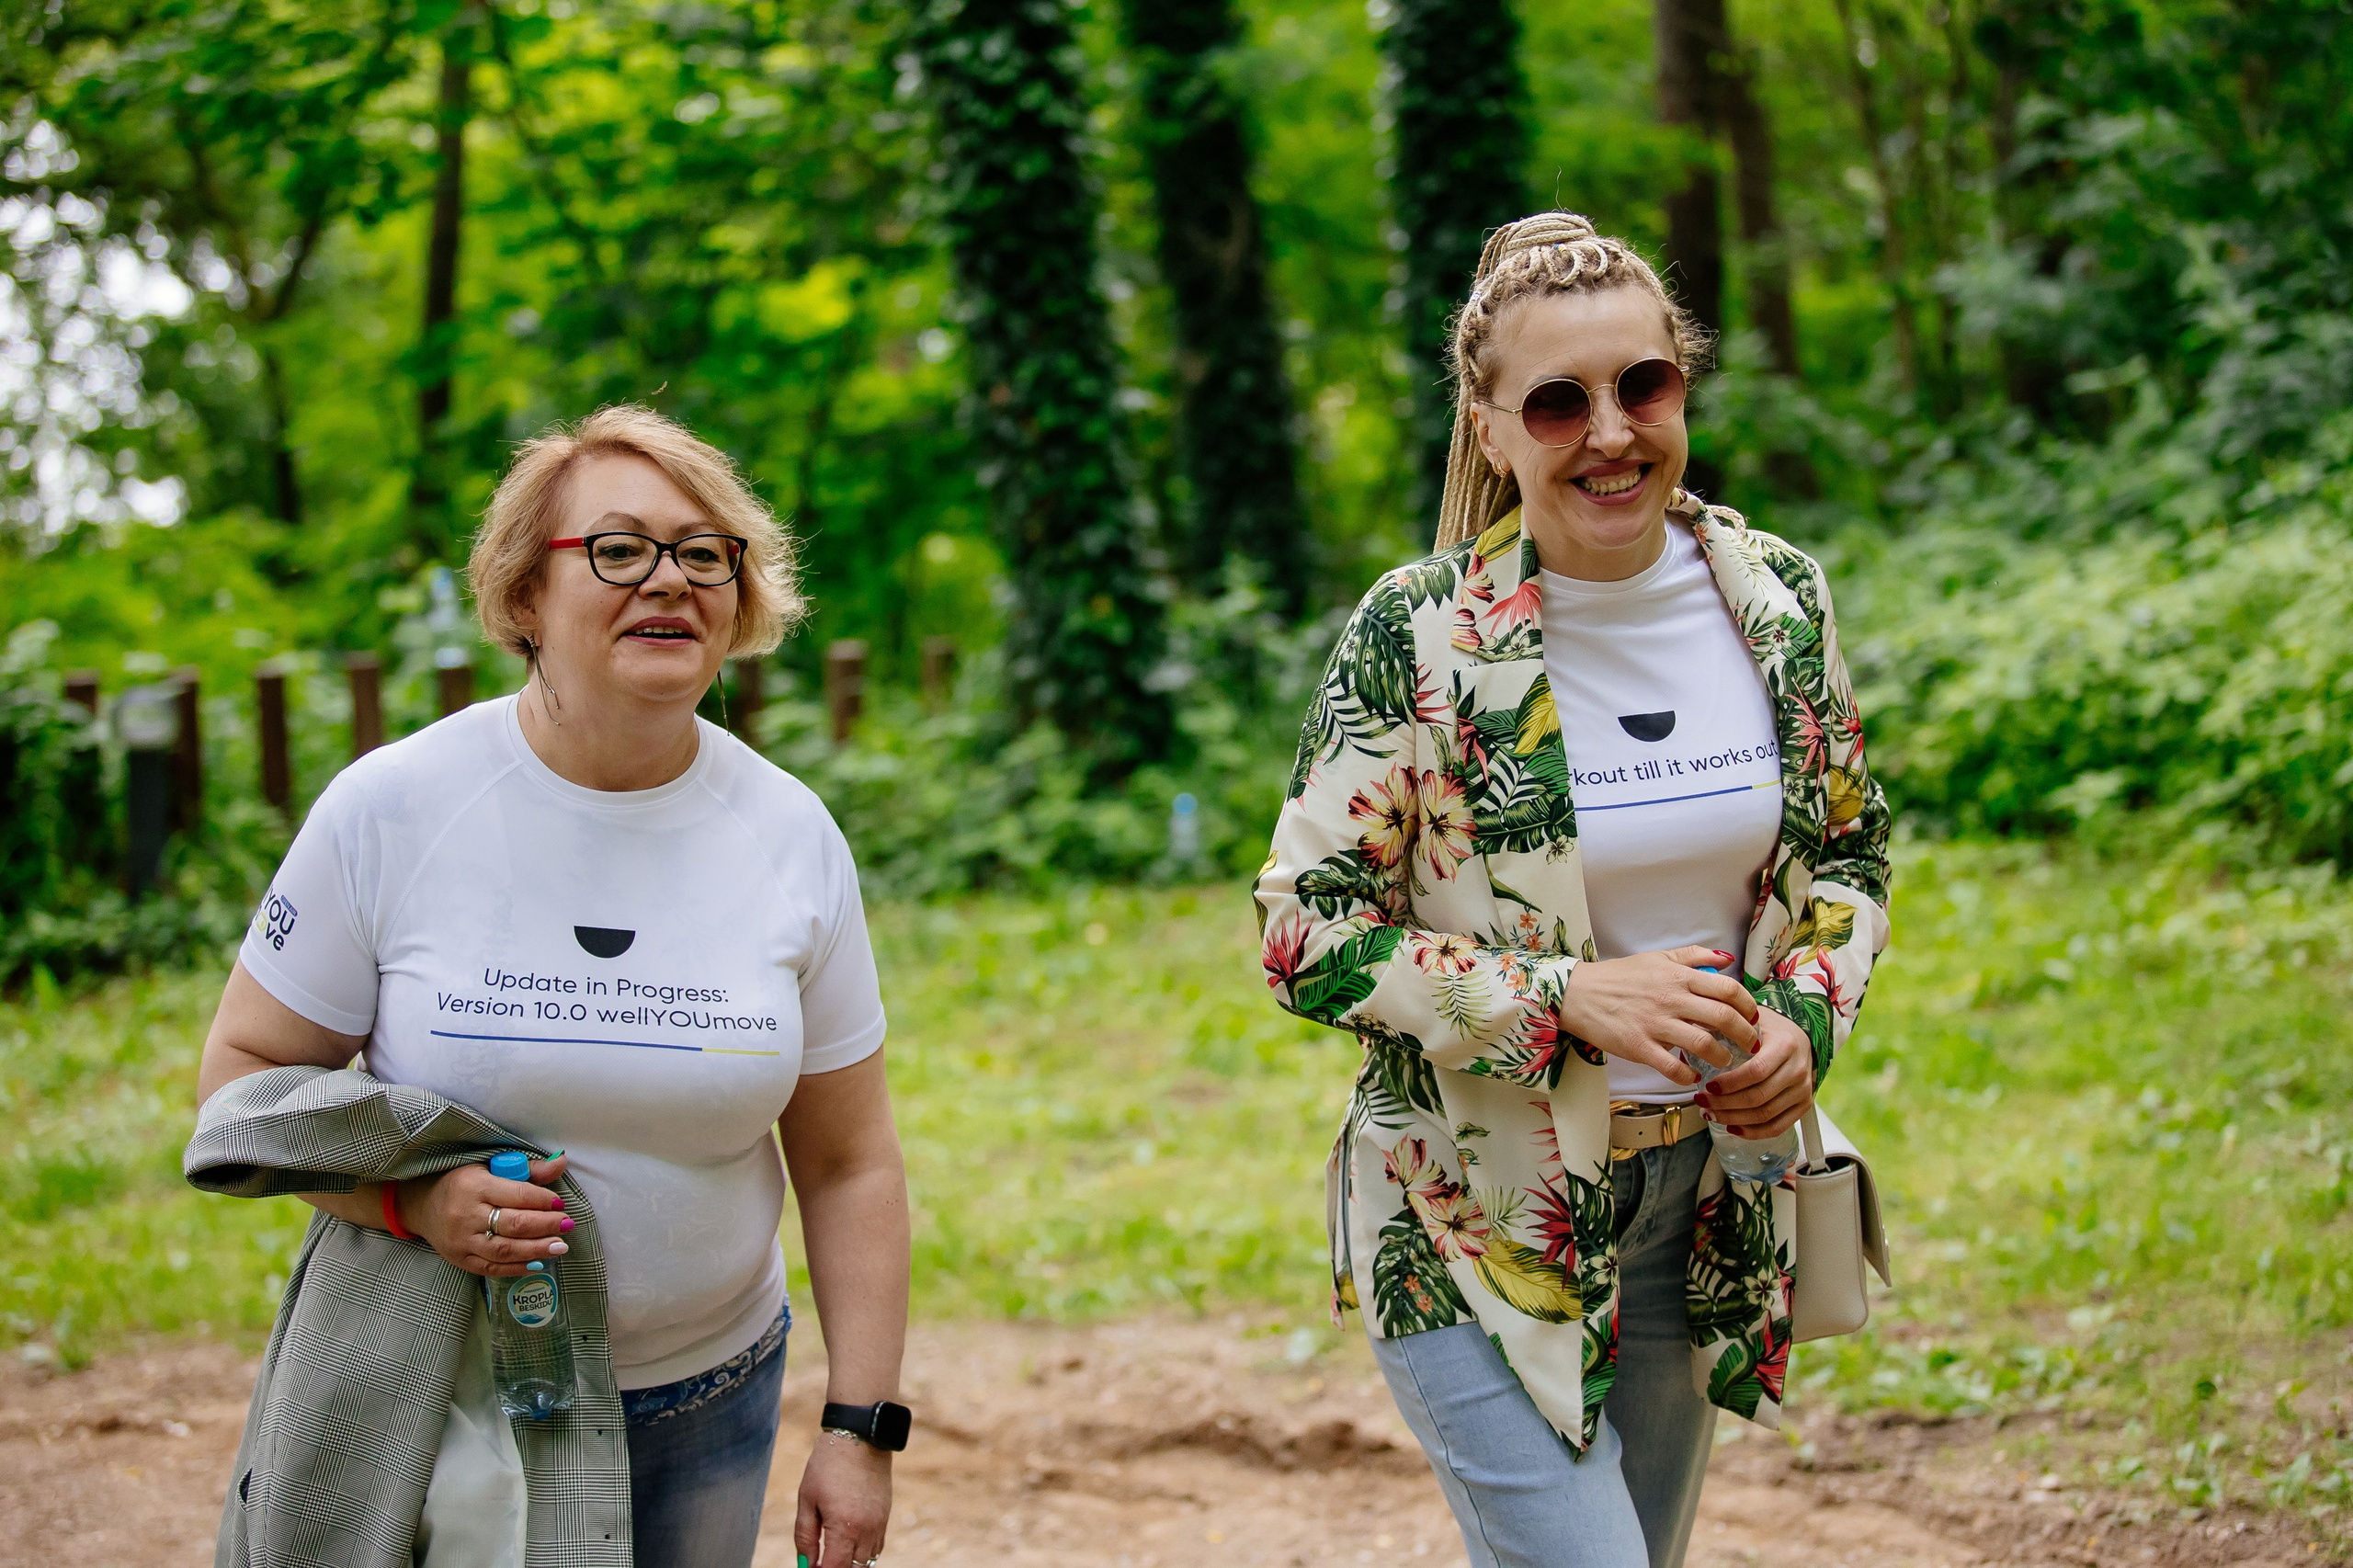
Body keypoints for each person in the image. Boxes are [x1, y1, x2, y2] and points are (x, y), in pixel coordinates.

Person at [1253, 211, 1892, 1568]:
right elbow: (1305, 930)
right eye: (1558, 400)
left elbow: (1847, 856)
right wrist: (1565, 1000)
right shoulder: (1419, 633)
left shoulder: (1773, 596)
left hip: (1707, 1201)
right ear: (1491, 430)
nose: (1610, 431)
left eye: (1642, 385)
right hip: (1474, 1219)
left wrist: (1800, 1021)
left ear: (1681, 385)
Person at [194, 405, 910, 1568]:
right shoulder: (393, 808)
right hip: (447, 1390)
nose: (668, 580)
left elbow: (849, 1159)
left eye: (703, 551)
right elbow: (242, 1082)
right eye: (618, 550)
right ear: (526, 596)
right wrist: (407, 1203)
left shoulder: (790, 832)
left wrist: (860, 1426)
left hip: (707, 1397)